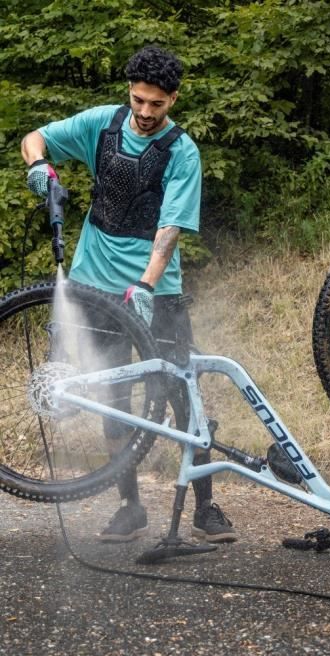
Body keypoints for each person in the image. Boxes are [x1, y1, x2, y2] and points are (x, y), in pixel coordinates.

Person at [20, 45, 235, 544]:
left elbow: (170, 229)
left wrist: (145, 285)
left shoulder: (182, 151)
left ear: (173, 100)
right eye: (138, 100)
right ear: (129, 93)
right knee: (114, 400)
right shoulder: (103, 125)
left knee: (185, 394)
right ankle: (130, 507)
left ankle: (206, 508)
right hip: (93, 283)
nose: (144, 113)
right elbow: (36, 138)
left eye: (156, 105)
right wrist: (39, 169)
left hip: (157, 291)